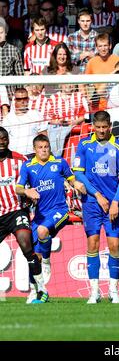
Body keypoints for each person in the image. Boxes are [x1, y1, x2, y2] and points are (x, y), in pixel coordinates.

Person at [16, 134, 85, 302]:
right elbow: (18, 187)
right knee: (32, 256)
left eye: (46, 147)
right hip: (39, 215)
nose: (44, 150)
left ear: (49, 147)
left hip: (59, 211)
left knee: (42, 231)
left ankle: (47, 260)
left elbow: (72, 178)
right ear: (35, 150)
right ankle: (37, 291)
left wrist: (79, 185)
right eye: (40, 147)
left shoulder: (59, 163)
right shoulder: (27, 166)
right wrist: (27, 191)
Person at [72, 110, 119, 304]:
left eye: (104, 127)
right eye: (97, 128)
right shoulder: (84, 145)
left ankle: (113, 291)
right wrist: (97, 195)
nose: (101, 131)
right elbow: (79, 174)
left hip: (112, 204)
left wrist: (115, 202)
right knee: (93, 243)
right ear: (93, 127)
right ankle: (94, 292)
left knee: (114, 245)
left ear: (110, 126)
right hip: (91, 203)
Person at [0, 127, 48, 304]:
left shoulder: (20, 160)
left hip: (16, 211)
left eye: (4, 138)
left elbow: (33, 180)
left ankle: (40, 289)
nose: (1, 142)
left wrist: (31, 193)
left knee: (26, 245)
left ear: (8, 140)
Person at [2, 88, 48, 157]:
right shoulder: (8, 118)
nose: (22, 101)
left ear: (28, 99)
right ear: (15, 101)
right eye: (19, 99)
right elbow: (4, 139)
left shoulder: (36, 115)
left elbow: (44, 136)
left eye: (24, 98)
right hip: (14, 155)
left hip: (33, 155)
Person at [66, 8, 98, 74]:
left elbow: (99, 58)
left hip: (93, 74)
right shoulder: (71, 37)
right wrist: (85, 54)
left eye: (88, 21)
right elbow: (67, 59)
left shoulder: (97, 37)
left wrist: (77, 55)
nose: (85, 24)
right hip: (75, 75)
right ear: (78, 21)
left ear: (91, 21)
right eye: (82, 21)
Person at [0, 17, 24, 101]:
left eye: (1, 32)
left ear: (6, 32)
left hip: (9, 94)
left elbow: (20, 75)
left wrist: (19, 96)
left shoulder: (14, 50)